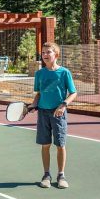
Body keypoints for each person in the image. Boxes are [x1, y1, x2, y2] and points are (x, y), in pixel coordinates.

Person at [28, 42, 77, 189]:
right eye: (43, 53)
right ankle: (46, 175)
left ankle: (61, 175)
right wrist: (33, 104)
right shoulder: (39, 74)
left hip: (58, 113)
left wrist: (63, 104)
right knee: (45, 145)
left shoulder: (64, 73)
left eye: (48, 52)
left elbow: (73, 93)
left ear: (56, 54)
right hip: (43, 113)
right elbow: (39, 93)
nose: (45, 55)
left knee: (60, 145)